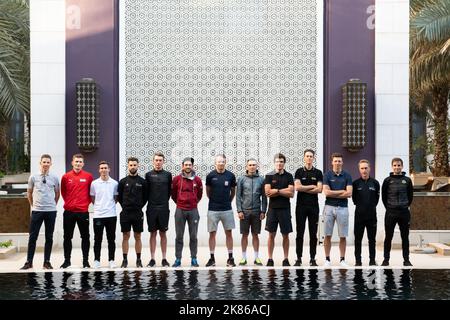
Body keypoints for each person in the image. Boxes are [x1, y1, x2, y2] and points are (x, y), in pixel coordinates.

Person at [21, 154, 60, 270]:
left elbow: (57, 193)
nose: (46, 164)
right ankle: (29, 261)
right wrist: (33, 205)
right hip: (37, 211)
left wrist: (52, 205)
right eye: (44, 162)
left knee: (49, 237)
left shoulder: (55, 178)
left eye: (48, 162)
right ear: (40, 163)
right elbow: (29, 193)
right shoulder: (33, 177)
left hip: (51, 211)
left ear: (51, 164)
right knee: (33, 237)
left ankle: (47, 262)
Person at [60, 154, 93, 269]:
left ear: (83, 164)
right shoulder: (66, 177)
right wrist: (70, 203)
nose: (78, 163)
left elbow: (91, 193)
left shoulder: (88, 176)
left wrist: (84, 204)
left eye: (80, 162)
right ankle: (67, 261)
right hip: (69, 212)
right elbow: (63, 192)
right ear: (72, 163)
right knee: (67, 237)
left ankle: (85, 261)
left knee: (85, 237)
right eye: (76, 161)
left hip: (83, 212)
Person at [205, 154, 237, 267]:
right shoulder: (210, 176)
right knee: (212, 234)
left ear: (225, 162)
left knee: (229, 233)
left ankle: (230, 258)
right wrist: (215, 201)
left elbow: (233, 192)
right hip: (213, 209)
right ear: (215, 163)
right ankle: (212, 258)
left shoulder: (231, 176)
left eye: (222, 162)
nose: (221, 163)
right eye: (219, 162)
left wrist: (228, 201)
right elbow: (208, 193)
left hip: (227, 209)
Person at [171, 157, 203, 267]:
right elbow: (173, 194)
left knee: (193, 236)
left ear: (192, 166)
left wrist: (193, 203)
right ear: (182, 166)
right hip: (180, 210)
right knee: (179, 236)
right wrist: (180, 202)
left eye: (190, 165)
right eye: (186, 165)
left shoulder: (197, 180)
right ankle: (178, 259)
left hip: (193, 210)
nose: (188, 166)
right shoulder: (176, 179)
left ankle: (194, 259)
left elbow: (200, 195)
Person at [381, 157, 413, 267]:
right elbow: (383, 197)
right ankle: (386, 260)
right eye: (395, 165)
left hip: (404, 213)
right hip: (390, 212)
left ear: (402, 166)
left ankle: (406, 260)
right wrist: (390, 207)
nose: (397, 167)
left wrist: (404, 206)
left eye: (399, 165)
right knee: (388, 237)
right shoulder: (387, 180)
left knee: (405, 237)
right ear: (392, 167)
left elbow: (410, 196)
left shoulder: (407, 180)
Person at [322, 152, 352, 267]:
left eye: (339, 161)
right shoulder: (327, 175)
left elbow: (349, 193)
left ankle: (342, 259)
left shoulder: (347, 175)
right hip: (329, 207)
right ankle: (327, 259)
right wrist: (341, 192)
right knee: (327, 234)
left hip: (343, 208)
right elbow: (326, 192)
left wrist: (333, 193)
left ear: (342, 162)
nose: (337, 163)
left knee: (342, 235)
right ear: (332, 162)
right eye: (335, 161)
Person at [264, 153, 294, 266]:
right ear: (274, 163)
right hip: (272, 210)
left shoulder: (289, 176)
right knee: (271, 235)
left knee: (285, 235)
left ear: (284, 163)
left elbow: (291, 193)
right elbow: (268, 193)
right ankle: (270, 259)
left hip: (285, 209)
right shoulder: (269, 176)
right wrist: (282, 191)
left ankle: (286, 259)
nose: (279, 163)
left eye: (281, 161)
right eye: (277, 161)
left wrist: (276, 191)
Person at [294, 149, 323, 267]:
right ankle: (298, 258)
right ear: (304, 158)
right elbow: (297, 188)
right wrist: (312, 186)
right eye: (307, 156)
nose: (309, 158)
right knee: (299, 233)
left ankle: (312, 258)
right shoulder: (299, 172)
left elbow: (320, 189)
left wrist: (304, 187)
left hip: (313, 207)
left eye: (311, 156)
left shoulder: (318, 173)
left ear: (313, 158)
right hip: (301, 207)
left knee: (313, 234)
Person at [236, 158, 267, 266]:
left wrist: (263, 211)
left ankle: (256, 257)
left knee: (255, 235)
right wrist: (239, 210)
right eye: (250, 165)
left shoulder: (261, 180)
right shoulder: (241, 179)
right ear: (246, 167)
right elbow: (238, 196)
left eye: (254, 165)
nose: (252, 166)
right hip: (244, 211)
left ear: (257, 166)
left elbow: (264, 197)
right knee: (244, 235)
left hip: (257, 211)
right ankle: (243, 258)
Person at [117, 157, 148, 268]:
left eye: (134, 165)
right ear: (128, 166)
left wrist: (138, 207)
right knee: (126, 236)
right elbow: (119, 198)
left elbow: (145, 198)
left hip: (137, 213)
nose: (133, 167)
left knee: (137, 236)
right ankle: (124, 260)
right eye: (131, 165)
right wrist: (126, 206)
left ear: (138, 166)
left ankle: (138, 260)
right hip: (125, 213)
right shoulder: (122, 182)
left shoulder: (143, 182)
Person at [145, 152, 172, 267]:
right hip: (151, 208)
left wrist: (163, 202)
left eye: (160, 160)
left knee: (163, 233)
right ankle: (152, 259)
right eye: (156, 160)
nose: (158, 162)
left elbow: (170, 192)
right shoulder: (148, 175)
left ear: (163, 161)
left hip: (163, 208)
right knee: (152, 233)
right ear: (153, 161)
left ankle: (164, 259)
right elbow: (146, 192)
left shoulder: (168, 175)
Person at [90, 161, 119, 269]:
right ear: (99, 170)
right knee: (97, 239)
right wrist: (99, 206)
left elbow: (116, 198)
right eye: (101, 168)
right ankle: (97, 260)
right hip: (98, 215)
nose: (103, 170)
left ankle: (111, 260)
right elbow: (93, 198)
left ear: (109, 169)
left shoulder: (115, 183)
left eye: (105, 168)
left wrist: (108, 206)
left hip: (111, 215)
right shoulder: (94, 183)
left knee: (111, 239)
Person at [352, 159, 380, 266]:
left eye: (366, 168)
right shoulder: (355, 183)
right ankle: (358, 261)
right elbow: (354, 200)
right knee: (358, 240)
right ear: (359, 170)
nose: (364, 170)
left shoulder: (375, 183)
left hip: (372, 216)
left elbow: (376, 199)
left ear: (370, 169)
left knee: (372, 240)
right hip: (359, 216)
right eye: (362, 168)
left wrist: (370, 207)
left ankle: (372, 260)